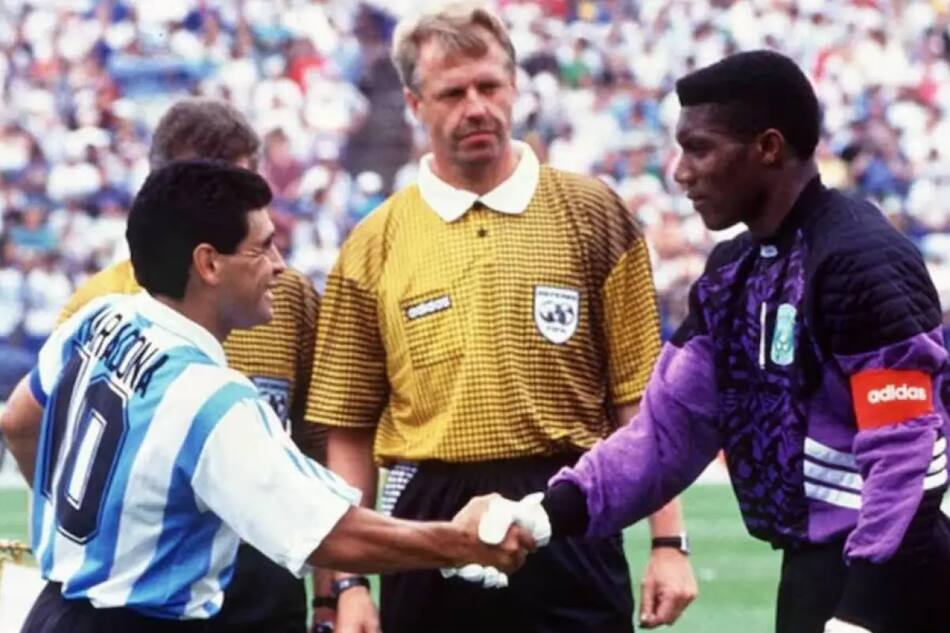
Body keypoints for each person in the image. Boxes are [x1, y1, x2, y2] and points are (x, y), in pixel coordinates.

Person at [480, 50, 950, 633]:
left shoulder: (860, 259)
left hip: (893, 578)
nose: (679, 172)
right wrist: (546, 514)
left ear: (769, 148)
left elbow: (909, 450)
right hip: (814, 574)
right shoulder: (733, 271)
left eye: (699, 148)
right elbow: (666, 434)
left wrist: (863, 611)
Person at [0, 160, 533, 633]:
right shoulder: (211, 397)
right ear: (208, 264)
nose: (280, 264)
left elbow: (21, 421)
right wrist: (460, 541)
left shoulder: (102, 317)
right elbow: (331, 533)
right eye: (262, 246)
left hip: (54, 608)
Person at [307, 4, 696, 632]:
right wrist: (345, 586)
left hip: (573, 500)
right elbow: (348, 430)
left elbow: (641, 400)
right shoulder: (373, 242)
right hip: (426, 515)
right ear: (414, 103)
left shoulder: (593, 212)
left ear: (515, 87)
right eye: (452, 93)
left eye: (489, 86)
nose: (476, 107)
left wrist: (668, 544)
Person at [56, 97, 327, 633]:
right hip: (152, 581)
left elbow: (318, 440)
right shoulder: (98, 307)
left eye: (242, 188)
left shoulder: (286, 294)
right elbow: (42, 437)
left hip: (264, 573)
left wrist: (337, 590)